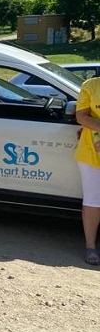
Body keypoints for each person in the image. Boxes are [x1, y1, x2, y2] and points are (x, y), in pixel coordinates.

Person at [74, 75, 100, 265]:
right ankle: (90, 247)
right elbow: (81, 116)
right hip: (91, 152)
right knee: (92, 201)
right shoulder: (91, 85)